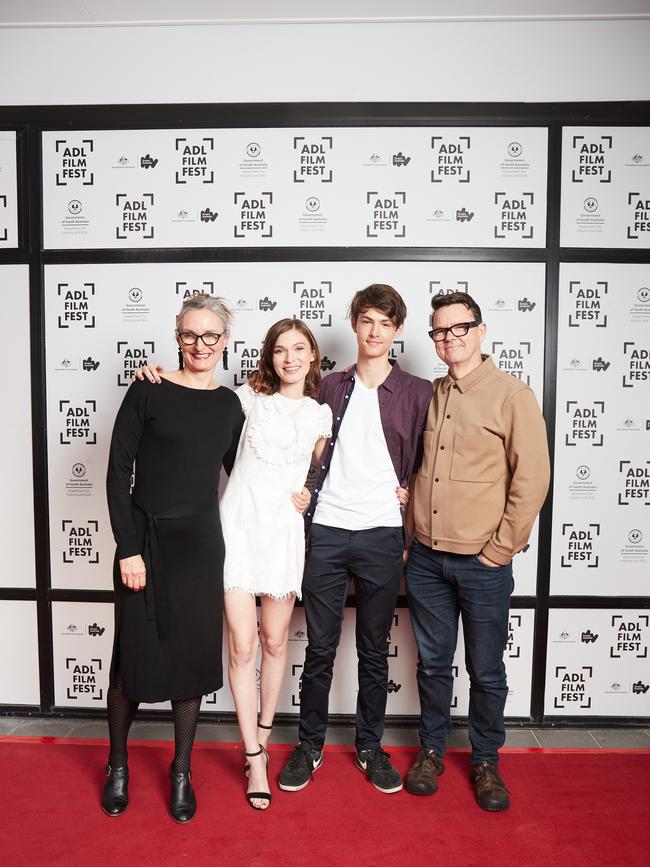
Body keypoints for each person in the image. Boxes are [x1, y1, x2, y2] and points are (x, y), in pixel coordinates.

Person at [278, 284, 433, 795]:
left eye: (385, 323)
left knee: (372, 648)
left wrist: (412, 498)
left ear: (397, 331)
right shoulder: (328, 387)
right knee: (320, 648)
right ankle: (310, 745)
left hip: (382, 533)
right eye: (366, 320)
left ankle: (370, 747)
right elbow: (290, 433)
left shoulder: (418, 392)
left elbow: (430, 462)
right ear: (353, 323)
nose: (374, 331)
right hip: (326, 531)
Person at [404, 290, 550, 811]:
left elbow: (532, 478)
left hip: (482, 563)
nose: (449, 340)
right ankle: (431, 751)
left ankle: (486, 760)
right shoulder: (434, 393)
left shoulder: (513, 396)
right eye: (439, 332)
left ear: (481, 331)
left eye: (458, 329)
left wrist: (500, 549)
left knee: (487, 670)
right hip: (425, 559)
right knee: (433, 667)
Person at [103, 293, 244, 824]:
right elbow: (118, 474)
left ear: (225, 341)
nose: (201, 345)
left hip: (201, 548)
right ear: (177, 336)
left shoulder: (230, 405)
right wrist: (128, 547)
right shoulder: (147, 390)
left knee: (190, 663)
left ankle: (180, 770)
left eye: (212, 335)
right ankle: (117, 764)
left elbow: (246, 476)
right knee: (130, 662)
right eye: (191, 334)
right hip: (145, 540)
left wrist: (304, 487)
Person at [220, 319, 332, 811]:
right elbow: (198, 413)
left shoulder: (320, 415)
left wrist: (311, 492)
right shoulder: (246, 400)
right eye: (280, 349)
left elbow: (325, 474)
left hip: (283, 536)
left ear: (313, 356)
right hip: (238, 531)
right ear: (269, 356)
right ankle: (254, 757)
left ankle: (263, 736)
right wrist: (153, 376)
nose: (290, 357)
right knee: (242, 647)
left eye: (299, 349)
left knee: (273, 641)